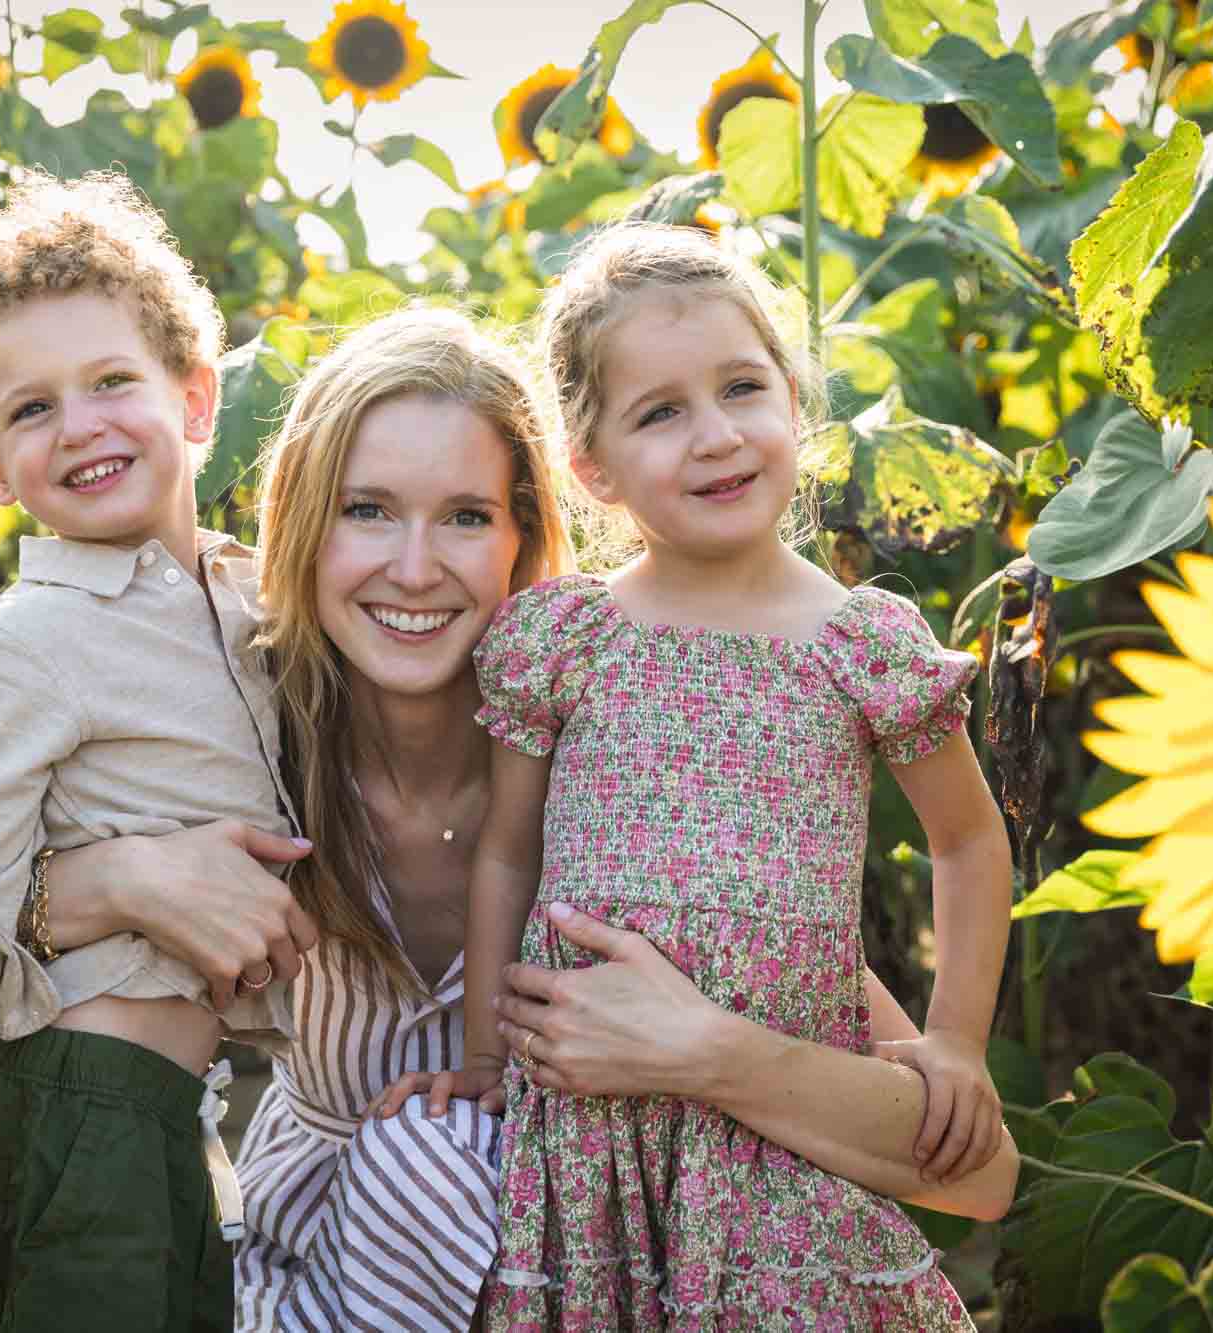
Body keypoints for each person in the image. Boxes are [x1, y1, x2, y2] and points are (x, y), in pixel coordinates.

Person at [30, 297, 1015, 1329]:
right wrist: (122, 878)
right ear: (302, 526)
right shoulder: (233, 735)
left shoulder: (634, 781)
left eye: (464, 515)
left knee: (445, 1162)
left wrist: (710, 1053)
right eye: (365, 510)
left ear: (525, 538)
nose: (414, 568)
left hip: (599, 1272)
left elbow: (976, 1175)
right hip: (311, 1266)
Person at [440, 222, 1013, 1330]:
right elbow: (507, 849)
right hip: (590, 1140)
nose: (715, 437)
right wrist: (480, 1060)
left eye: (741, 389)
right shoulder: (566, 638)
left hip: (779, 1142)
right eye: (660, 412)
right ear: (590, 464)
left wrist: (953, 1038)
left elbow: (966, 839)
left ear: (794, 401)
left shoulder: (859, 641)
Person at [0, 170, 311, 1333]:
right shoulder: (31, 641)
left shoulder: (250, 597)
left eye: (112, 381)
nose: (81, 426)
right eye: (31, 409)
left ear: (197, 399)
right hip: (77, 1099)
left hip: (175, 1102)